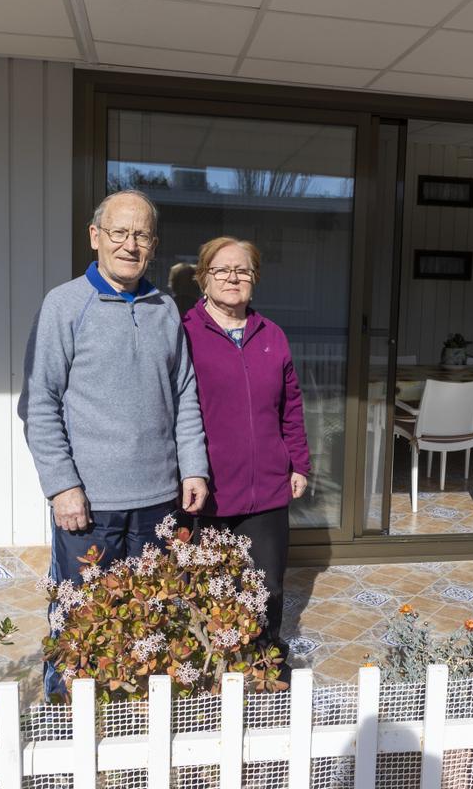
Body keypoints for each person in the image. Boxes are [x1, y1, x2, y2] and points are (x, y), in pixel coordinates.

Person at [18, 189, 209, 697]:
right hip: (90, 506)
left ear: (153, 244)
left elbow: (184, 392)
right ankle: (67, 725)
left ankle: (137, 721)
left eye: (142, 235)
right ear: (95, 237)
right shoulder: (64, 305)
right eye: (120, 232)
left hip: (158, 501)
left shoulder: (165, 307)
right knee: (80, 624)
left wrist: (193, 468)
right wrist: (62, 487)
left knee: (151, 620)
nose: (130, 244)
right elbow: (40, 402)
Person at [181, 236, 310, 659]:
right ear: (204, 278)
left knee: (268, 585)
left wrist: (299, 464)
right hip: (212, 488)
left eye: (243, 270)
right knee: (213, 586)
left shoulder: (272, 334)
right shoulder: (185, 334)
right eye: (221, 270)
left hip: (268, 487)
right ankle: (215, 666)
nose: (232, 278)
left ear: (254, 280)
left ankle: (265, 659)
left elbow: (291, 406)